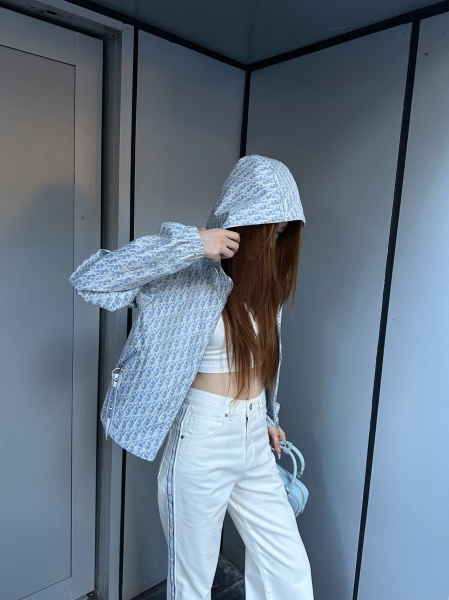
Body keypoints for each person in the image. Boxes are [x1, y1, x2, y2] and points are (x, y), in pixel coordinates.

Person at [69, 154, 314, 600]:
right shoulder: (187, 270)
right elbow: (92, 279)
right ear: (243, 222)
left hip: (254, 440)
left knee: (289, 571)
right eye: (269, 231)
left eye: (283, 233)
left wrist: (266, 416)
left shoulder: (265, 286)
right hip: (203, 439)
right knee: (193, 583)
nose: (275, 244)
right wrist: (190, 243)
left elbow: (257, 362)